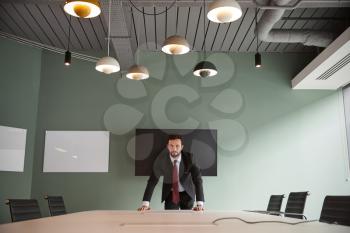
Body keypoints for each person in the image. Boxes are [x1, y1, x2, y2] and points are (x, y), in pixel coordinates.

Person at [138, 135, 205, 211]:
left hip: (187, 193)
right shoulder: (161, 160)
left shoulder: (190, 158)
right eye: (171, 146)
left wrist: (200, 204)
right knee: (170, 219)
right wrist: (145, 204)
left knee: (187, 220)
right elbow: (152, 182)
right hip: (171, 194)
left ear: (182, 147)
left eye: (177, 146)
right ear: (167, 146)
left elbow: (198, 180)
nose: (174, 149)